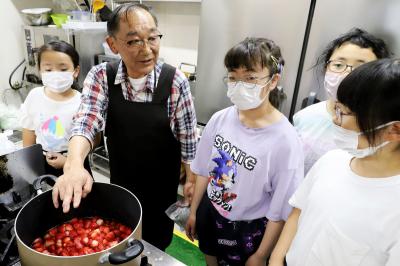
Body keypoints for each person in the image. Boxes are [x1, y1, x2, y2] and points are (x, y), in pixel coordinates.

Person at [51, 3, 197, 251]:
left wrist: (192, 182)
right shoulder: (101, 77)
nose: (147, 49)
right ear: (113, 44)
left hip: (161, 194)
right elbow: (86, 120)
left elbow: (189, 142)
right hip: (121, 188)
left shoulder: (175, 82)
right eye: (133, 42)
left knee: (156, 246)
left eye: (152, 38)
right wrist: (73, 164)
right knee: (121, 244)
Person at [269, 58, 400, 266]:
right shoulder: (332, 160)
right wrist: (276, 260)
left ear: (393, 130)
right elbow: (298, 212)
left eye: (343, 113)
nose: (334, 119)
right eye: (336, 108)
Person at [185, 37, 304, 266]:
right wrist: (194, 212)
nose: (239, 85)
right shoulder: (220, 119)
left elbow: (280, 209)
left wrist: (260, 255)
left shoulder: (285, 141)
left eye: (250, 78)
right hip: (210, 210)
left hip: (248, 227)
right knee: (210, 258)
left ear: (272, 80)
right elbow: (203, 171)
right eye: (233, 77)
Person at [293, 28, 390, 173]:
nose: (346, 74)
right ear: (326, 68)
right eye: (338, 65)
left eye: (361, 68)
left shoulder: (385, 133)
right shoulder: (304, 117)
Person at [21, 41, 92, 177]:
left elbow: (93, 139)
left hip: (76, 162)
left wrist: (68, 162)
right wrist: (28, 166)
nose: (55, 74)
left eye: (63, 69)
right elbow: (28, 135)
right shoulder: (34, 96)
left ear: (76, 71)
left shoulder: (83, 101)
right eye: (48, 70)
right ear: (40, 70)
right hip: (41, 163)